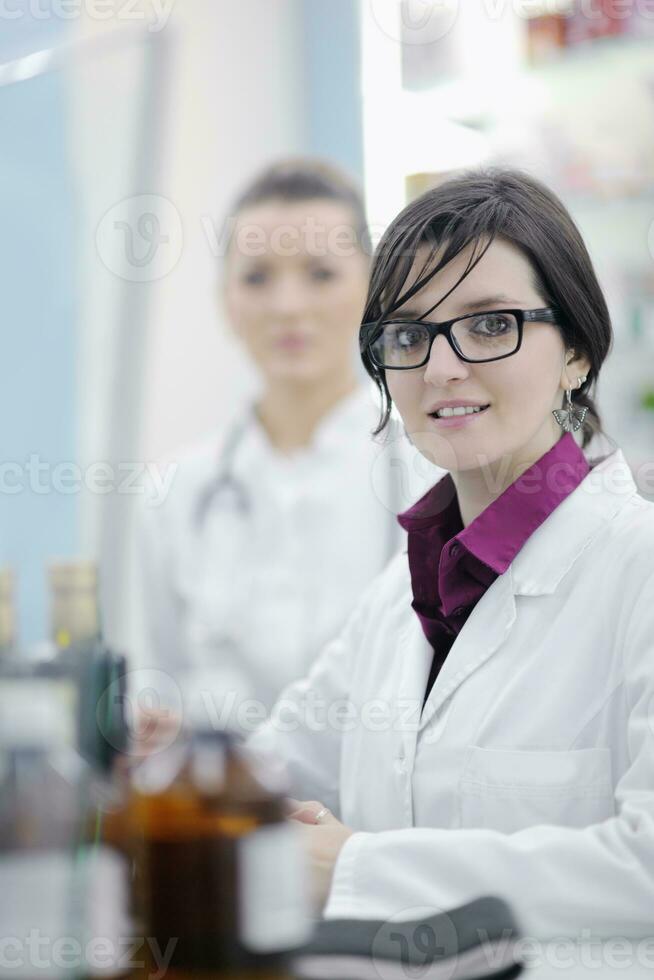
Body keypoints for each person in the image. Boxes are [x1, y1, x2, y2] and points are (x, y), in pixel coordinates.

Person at [248, 167, 654, 938]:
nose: (441, 367)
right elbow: (274, 768)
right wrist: (180, 765)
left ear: (576, 350)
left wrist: (356, 869)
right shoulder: (402, 598)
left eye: (490, 324)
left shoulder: (639, 571)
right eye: (408, 334)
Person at [137, 159, 440, 730]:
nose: (288, 306)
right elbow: (161, 689)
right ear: (225, 299)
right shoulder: (174, 491)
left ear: (371, 289)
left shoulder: (437, 472)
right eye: (257, 277)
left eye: (320, 273)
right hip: (226, 811)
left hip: (377, 816)